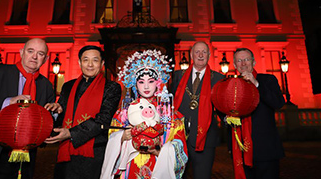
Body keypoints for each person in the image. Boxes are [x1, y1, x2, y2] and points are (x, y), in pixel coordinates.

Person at [0, 38, 61, 179]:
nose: (34, 56)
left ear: (46, 58)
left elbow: (47, 127)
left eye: (40, 53)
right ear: (21, 52)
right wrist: (7, 102)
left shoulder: (46, 85)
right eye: (30, 51)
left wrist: (54, 114)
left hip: (25, 160)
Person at [100, 50, 188, 179]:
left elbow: (180, 142)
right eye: (141, 82)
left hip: (158, 163)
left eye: (151, 81)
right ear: (135, 84)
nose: (146, 86)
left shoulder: (169, 112)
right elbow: (112, 136)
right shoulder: (125, 112)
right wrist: (122, 136)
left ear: (158, 83)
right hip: (130, 167)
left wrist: (159, 151)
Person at [45, 45, 121, 179]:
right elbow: (62, 115)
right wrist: (56, 111)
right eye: (86, 60)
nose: (90, 64)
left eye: (95, 60)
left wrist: (70, 133)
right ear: (80, 62)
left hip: (94, 153)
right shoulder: (68, 86)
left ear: (102, 63)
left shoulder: (111, 88)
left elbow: (103, 120)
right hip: (66, 153)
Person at [171, 41, 225, 179]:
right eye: (197, 52)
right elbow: (170, 104)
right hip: (179, 138)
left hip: (206, 139)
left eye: (204, 52)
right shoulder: (178, 76)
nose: (200, 55)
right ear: (191, 55)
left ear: (209, 55)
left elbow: (223, 108)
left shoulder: (219, 78)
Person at [232, 48, 285, 179]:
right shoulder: (231, 85)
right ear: (234, 65)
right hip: (241, 150)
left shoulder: (267, 80)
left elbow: (278, 103)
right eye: (239, 60)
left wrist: (256, 84)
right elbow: (224, 109)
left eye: (246, 59)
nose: (243, 63)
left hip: (266, 149)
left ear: (254, 62)